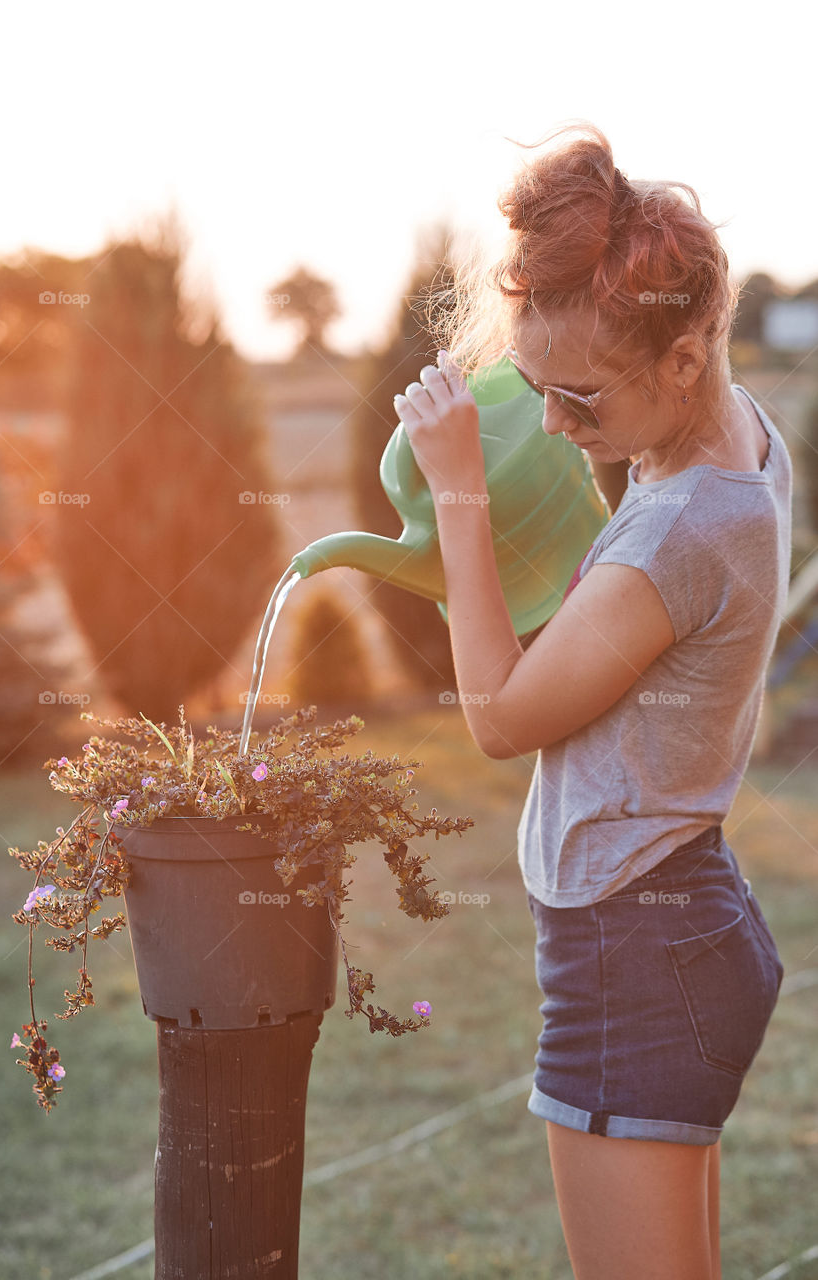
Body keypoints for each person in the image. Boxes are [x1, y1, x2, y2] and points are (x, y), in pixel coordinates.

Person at [392, 123, 791, 1280]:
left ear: (681, 360)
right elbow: (614, 600)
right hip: (677, 922)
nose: (559, 426)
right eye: (537, 392)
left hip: (636, 949)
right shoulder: (730, 449)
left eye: (579, 399)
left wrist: (459, 492)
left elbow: (501, 717)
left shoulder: (682, 526)